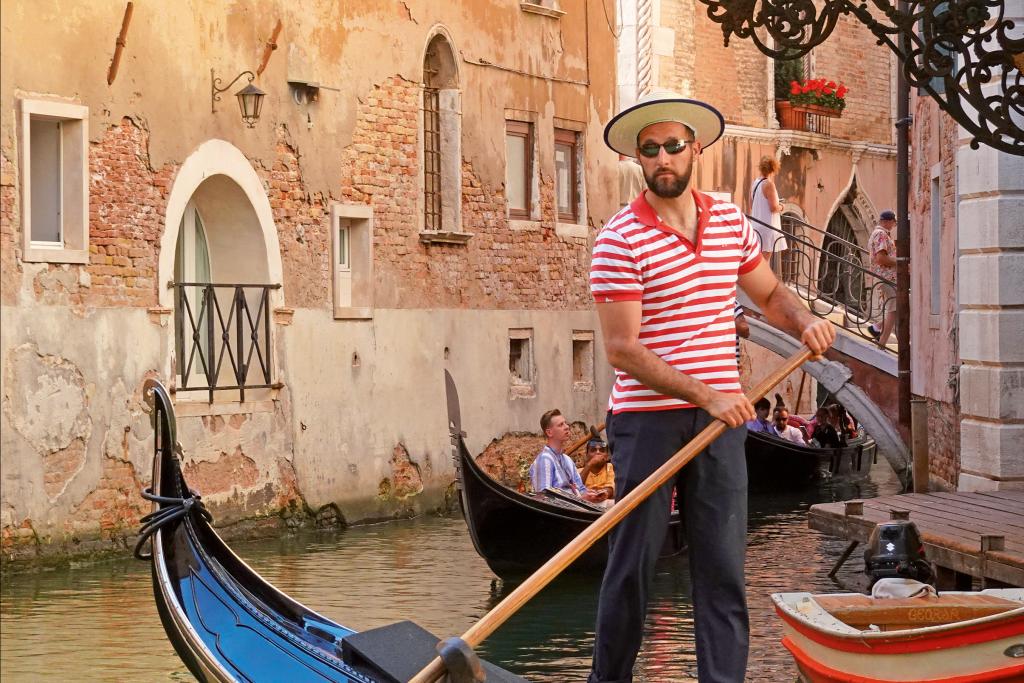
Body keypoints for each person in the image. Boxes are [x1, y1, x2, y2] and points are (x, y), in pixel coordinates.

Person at [590, 90, 835, 683]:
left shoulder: (728, 219)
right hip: (648, 421)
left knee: (723, 568)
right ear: (639, 161)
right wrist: (706, 394)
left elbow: (771, 294)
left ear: (694, 147)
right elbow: (622, 350)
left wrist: (804, 322)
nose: (663, 159)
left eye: (674, 146)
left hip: (722, 420)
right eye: (650, 151)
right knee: (633, 566)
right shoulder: (618, 240)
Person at [528, 409, 606, 503]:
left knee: (612, 504)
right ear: (549, 433)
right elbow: (544, 499)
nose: (567, 427)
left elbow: (580, 489)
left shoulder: (567, 460)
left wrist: (592, 495)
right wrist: (580, 499)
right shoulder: (545, 460)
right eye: (561, 425)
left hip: (577, 508)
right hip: (560, 514)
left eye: (565, 423)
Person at [868, 210, 897, 349]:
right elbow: (881, 258)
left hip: (885, 277)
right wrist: (900, 262)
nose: (894, 225)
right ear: (887, 221)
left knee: (897, 308)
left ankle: (877, 328)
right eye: (893, 222)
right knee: (894, 309)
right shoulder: (881, 234)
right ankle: (881, 344)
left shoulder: (877, 233)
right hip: (887, 277)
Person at [749, 156, 787, 261]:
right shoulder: (769, 184)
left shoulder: (755, 183)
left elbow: (751, 205)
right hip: (767, 227)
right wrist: (782, 206)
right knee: (765, 262)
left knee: (757, 261)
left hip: (756, 227)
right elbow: (774, 208)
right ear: (774, 169)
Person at [579, 437, 615, 503]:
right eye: (593, 450)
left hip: (605, 502)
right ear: (586, 455)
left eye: (602, 450)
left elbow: (611, 488)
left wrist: (603, 494)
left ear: (607, 456)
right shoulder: (579, 471)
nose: (598, 453)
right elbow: (577, 488)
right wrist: (590, 464)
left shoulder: (610, 467)